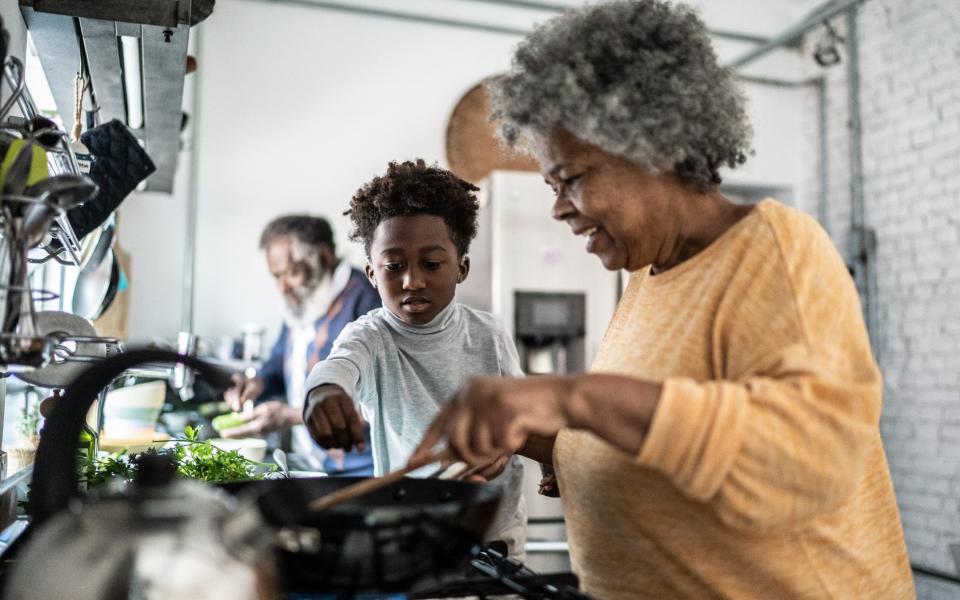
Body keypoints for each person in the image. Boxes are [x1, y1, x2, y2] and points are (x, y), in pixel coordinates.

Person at [409, 1, 915, 597]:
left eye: (570, 178)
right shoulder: (649, 277)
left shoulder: (774, 250)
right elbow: (656, 436)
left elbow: (810, 461)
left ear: (654, 144)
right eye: (550, 186)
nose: (558, 208)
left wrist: (568, 396)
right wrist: (531, 435)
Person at [301, 159, 527, 557]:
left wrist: (527, 452)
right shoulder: (370, 336)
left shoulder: (489, 334)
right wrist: (322, 393)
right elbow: (335, 369)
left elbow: (525, 414)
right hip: (412, 536)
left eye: (432, 264)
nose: (413, 281)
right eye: (394, 266)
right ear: (372, 274)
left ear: (462, 267)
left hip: (496, 533)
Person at [223, 215, 379, 475]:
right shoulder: (303, 301)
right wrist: (256, 383)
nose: (282, 287)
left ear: (325, 258)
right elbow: (278, 360)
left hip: (361, 470)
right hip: (313, 463)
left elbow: (380, 400)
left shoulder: (366, 302)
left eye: (291, 273)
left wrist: (290, 416)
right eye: (276, 277)